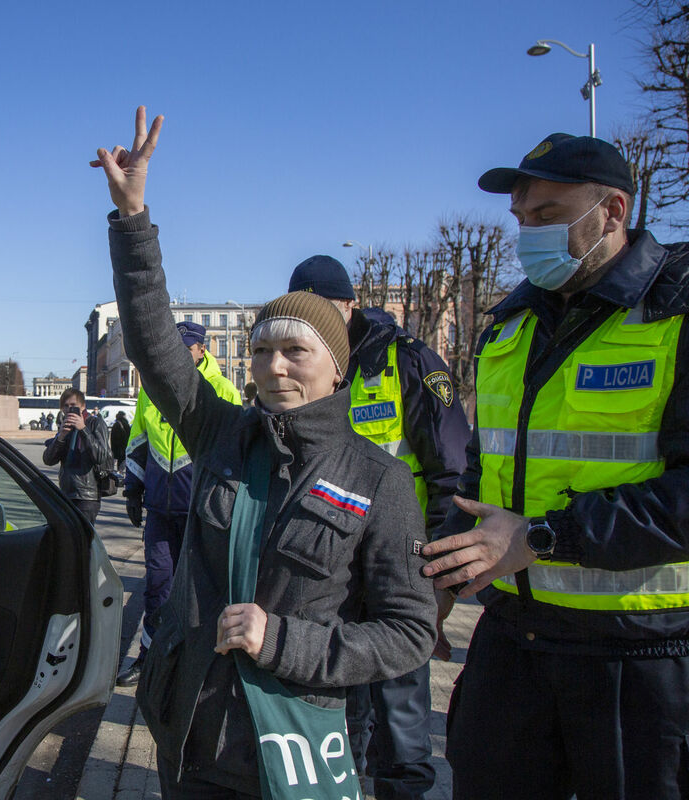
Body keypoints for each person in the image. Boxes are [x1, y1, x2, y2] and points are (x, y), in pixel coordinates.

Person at [93, 106, 435, 799]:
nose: (274, 367)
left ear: (335, 368)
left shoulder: (380, 480)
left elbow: (407, 634)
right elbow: (156, 347)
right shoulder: (224, 433)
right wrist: (134, 222)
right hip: (193, 736)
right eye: (260, 351)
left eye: (295, 351)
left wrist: (282, 640)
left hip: (294, 744)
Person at [422, 133, 689, 799]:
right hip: (514, 642)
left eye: (546, 216)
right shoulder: (507, 327)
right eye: (519, 220)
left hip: (639, 656)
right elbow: (485, 472)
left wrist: (542, 537)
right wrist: (446, 582)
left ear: (612, 211)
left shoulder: (674, 314)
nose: (527, 235)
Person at [288, 256, 470, 799]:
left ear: (349, 306)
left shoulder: (408, 363)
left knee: (400, 721)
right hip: (329, 571)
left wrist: (440, 579)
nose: (311, 327)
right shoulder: (304, 370)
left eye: (322, 313)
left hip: (399, 568)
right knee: (333, 714)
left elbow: (453, 474)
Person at [115, 321, 242, 687]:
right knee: (157, 585)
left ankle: (197, 668)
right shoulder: (151, 389)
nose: (181, 356)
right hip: (159, 508)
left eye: (187, 349)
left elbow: (231, 454)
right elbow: (138, 442)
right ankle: (151, 660)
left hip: (201, 512)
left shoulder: (223, 390)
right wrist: (133, 490)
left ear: (202, 350)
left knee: (202, 593)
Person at [42, 387, 112, 525]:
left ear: (83, 406)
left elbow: (101, 456)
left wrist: (83, 430)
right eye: (66, 406)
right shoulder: (65, 426)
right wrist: (61, 437)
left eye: (73, 405)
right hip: (66, 492)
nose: (69, 409)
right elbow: (48, 460)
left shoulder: (94, 423)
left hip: (87, 495)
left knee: (83, 541)